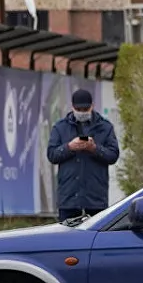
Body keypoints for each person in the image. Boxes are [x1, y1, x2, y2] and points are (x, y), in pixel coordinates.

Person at [47, 88, 121, 220]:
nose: (82, 113)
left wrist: (94, 148)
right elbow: (52, 154)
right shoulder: (60, 127)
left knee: (96, 236)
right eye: (78, 110)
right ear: (72, 107)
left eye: (85, 110)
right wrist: (70, 147)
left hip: (95, 197)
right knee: (67, 236)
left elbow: (113, 155)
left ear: (92, 106)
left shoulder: (104, 127)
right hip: (69, 197)